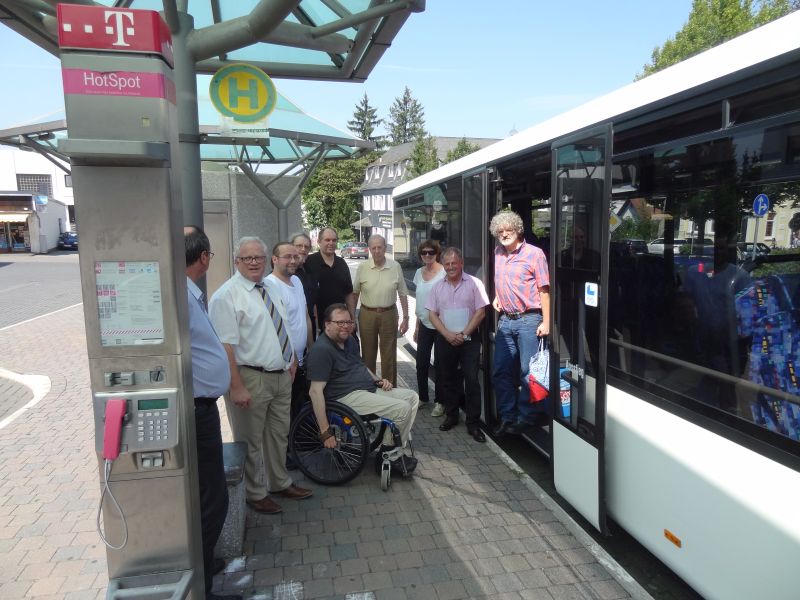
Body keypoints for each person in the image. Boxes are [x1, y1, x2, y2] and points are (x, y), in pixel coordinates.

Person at [209, 236, 313, 515]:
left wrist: (290, 358)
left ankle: (279, 482)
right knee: (250, 440)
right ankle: (255, 493)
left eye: (258, 257)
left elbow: (284, 325)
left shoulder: (270, 286)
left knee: (278, 434)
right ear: (236, 262)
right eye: (247, 258)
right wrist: (236, 386)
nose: (254, 262)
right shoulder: (226, 296)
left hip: (281, 375)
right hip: (250, 378)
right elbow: (225, 346)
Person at [183, 226, 241, 600]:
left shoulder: (189, 294)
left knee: (208, 494)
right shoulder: (182, 297)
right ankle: (201, 584)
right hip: (195, 410)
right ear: (205, 257)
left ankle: (204, 564)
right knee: (212, 498)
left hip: (202, 408)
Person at [306, 303, 420, 473]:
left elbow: (361, 366)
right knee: (401, 409)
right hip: (345, 396)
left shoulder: (349, 340)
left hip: (367, 388)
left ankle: (390, 449)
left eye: (348, 322)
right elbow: (315, 391)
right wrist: (325, 432)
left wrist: (378, 381)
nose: (345, 326)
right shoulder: (321, 350)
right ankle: (390, 456)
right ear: (327, 324)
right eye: (340, 322)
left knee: (411, 397)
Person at [490, 210, 551, 436]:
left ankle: (527, 416)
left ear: (518, 231)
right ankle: (508, 416)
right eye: (500, 231)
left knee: (528, 372)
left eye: (509, 230)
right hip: (506, 320)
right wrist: (498, 296)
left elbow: (545, 290)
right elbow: (501, 280)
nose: (504, 234)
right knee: (501, 371)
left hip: (529, 319)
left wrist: (546, 321)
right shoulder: (498, 253)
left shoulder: (535, 254)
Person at [426, 247, 490, 442]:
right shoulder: (437, 287)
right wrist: (447, 334)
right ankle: (452, 416)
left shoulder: (474, 283)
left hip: (469, 340)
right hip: (446, 340)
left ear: (461, 263)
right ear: (443, 266)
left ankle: (473, 423)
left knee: (471, 381)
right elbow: (432, 314)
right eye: (447, 264)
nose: (451, 267)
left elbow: (481, 312)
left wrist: (463, 334)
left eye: (454, 263)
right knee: (448, 379)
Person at [266, 242, 313, 468]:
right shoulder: (269, 286)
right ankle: (282, 454)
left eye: (296, 256)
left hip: (301, 359)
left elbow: (304, 317)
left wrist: (310, 349)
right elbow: (276, 328)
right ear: (274, 259)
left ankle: (293, 446)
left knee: (295, 405)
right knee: (281, 414)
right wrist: (291, 357)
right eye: (287, 257)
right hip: (285, 362)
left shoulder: (297, 281)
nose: (293, 260)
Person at [352, 234, 410, 386]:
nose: (377, 251)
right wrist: (351, 317)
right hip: (367, 314)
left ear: (385, 248)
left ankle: (390, 389)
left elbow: (403, 294)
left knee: (389, 354)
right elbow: (355, 293)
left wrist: (406, 317)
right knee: (368, 354)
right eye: (373, 248)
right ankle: (370, 388)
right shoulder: (363, 267)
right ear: (369, 249)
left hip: (389, 313)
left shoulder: (395, 266)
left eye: (380, 247)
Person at [412, 240, 446, 416]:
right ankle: (423, 397)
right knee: (421, 363)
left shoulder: (444, 272)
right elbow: (420, 301)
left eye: (430, 253)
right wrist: (417, 327)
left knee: (440, 365)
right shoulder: (418, 273)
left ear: (436, 254)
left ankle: (440, 402)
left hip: (441, 326)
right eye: (424, 253)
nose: (427, 256)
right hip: (424, 324)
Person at [304, 227, 356, 328]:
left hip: (340, 321)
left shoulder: (342, 263)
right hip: (317, 321)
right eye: (327, 240)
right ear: (319, 242)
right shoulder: (309, 262)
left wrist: (352, 319)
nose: (331, 243)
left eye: (334, 240)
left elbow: (348, 293)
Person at [290, 232, 319, 338]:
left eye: (306, 247)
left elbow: (313, 302)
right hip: (294, 328)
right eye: (299, 246)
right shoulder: (285, 273)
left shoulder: (309, 269)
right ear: (290, 246)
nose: (303, 249)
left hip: (309, 325)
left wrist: (317, 327)